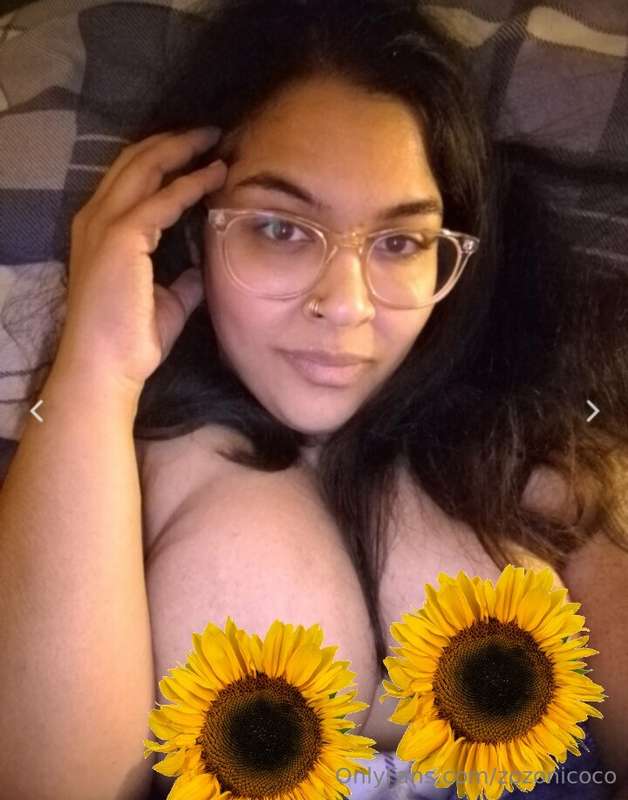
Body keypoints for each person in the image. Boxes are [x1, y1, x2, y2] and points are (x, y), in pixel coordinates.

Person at [1, 2, 626, 799]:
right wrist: (95, 368)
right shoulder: (99, 451)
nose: (347, 305)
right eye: (281, 229)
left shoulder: (544, 430)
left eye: (399, 242)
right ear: (192, 229)